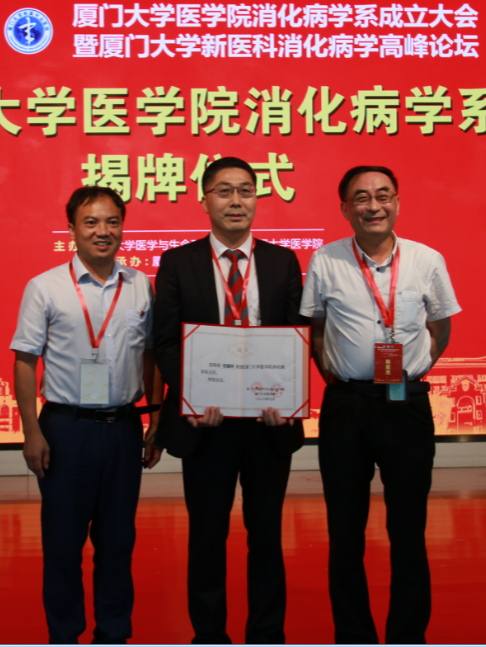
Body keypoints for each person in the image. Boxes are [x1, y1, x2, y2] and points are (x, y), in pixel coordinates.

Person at [300, 166, 460, 645]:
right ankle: (353, 636)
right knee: (344, 531)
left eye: (383, 195)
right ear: (345, 208)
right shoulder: (326, 260)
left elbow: (440, 328)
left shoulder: (426, 260)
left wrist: (415, 368)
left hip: (405, 405)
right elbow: (316, 330)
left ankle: (408, 636)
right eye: (362, 198)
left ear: (397, 202)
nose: (374, 206)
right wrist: (337, 376)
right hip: (346, 406)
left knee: (408, 529)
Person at [153, 156, 305, 645]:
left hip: (268, 423)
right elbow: (165, 342)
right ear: (205, 200)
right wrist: (194, 397)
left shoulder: (283, 262)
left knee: (268, 537)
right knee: (206, 538)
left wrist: (287, 397)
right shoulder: (178, 263)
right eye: (224, 191)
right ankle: (209, 636)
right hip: (206, 426)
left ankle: (267, 635)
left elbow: (296, 337)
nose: (236, 201)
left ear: (257, 199)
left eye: (245, 190)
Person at [11, 185, 160, 644]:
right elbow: (25, 360)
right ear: (72, 229)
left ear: (123, 227)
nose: (103, 231)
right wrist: (31, 431)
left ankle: (113, 636)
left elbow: (150, 356)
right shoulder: (45, 287)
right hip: (65, 430)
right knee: (62, 545)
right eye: (91, 222)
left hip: (123, 428)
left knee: (117, 544)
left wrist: (155, 420)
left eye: (112, 222)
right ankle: (64, 636)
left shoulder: (140, 285)